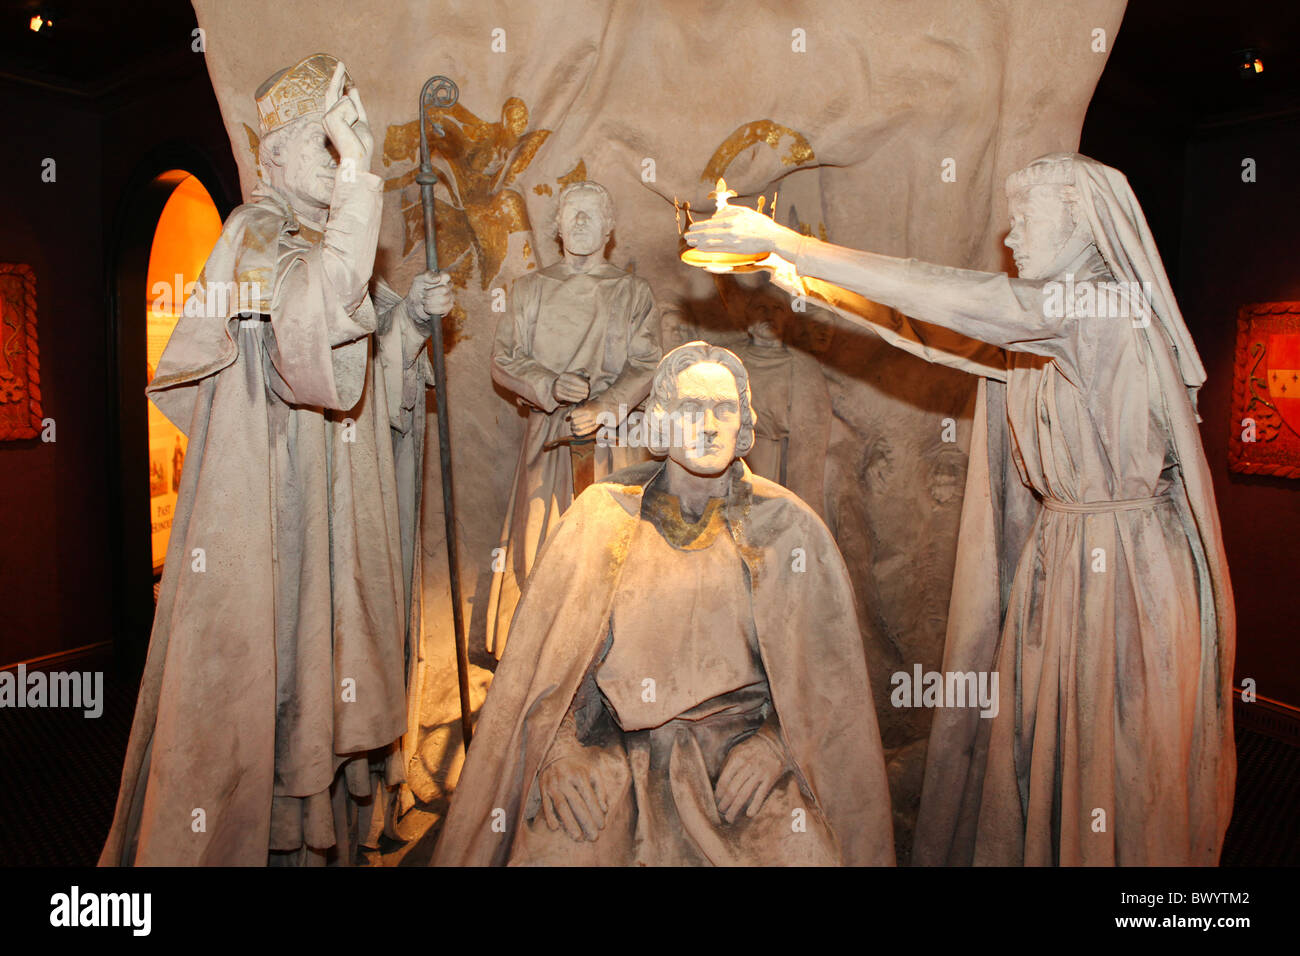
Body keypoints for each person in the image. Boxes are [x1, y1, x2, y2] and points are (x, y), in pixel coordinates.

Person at [687, 152, 1234, 866]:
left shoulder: (1099, 307)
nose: (1012, 236)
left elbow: (962, 301)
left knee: (1117, 751)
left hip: (1123, 575)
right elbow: (932, 327)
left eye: (1029, 217)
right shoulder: (1048, 322)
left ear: (1082, 221)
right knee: (1057, 747)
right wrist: (793, 274)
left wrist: (789, 243)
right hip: (1070, 557)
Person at [101, 54, 453, 866]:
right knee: (282, 664)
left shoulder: (318, 238)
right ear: (275, 159)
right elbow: (312, 338)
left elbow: (360, 356)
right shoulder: (251, 234)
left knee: (328, 652)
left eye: (341, 146)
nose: (337, 158)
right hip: (280, 501)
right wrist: (362, 173)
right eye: (321, 145)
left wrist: (406, 328)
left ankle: (318, 832)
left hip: (332, 490)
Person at [433, 342, 895, 866]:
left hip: (738, 760)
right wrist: (559, 749)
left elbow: (826, 687)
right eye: (690, 408)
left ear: (744, 423)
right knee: (553, 852)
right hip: (617, 752)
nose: (708, 424)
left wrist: (775, 744)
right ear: (659, 422)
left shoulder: (789, 529)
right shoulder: (600, 520)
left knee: (803, 851)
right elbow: (552, 672)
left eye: (724, 409)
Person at [485, 180, 660, 659]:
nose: (581, 222)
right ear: (557, 228)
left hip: (615, 444)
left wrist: (605, 408)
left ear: (609, 229)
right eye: (571, 214)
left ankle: (615, 657)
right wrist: (547, 385)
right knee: (542, 545)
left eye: (591, 214)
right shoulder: (530, 290)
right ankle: (537, 656)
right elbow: (504, 360)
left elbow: (648, 363)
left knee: (614, 548)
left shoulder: (632, 293)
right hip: (550, 438)